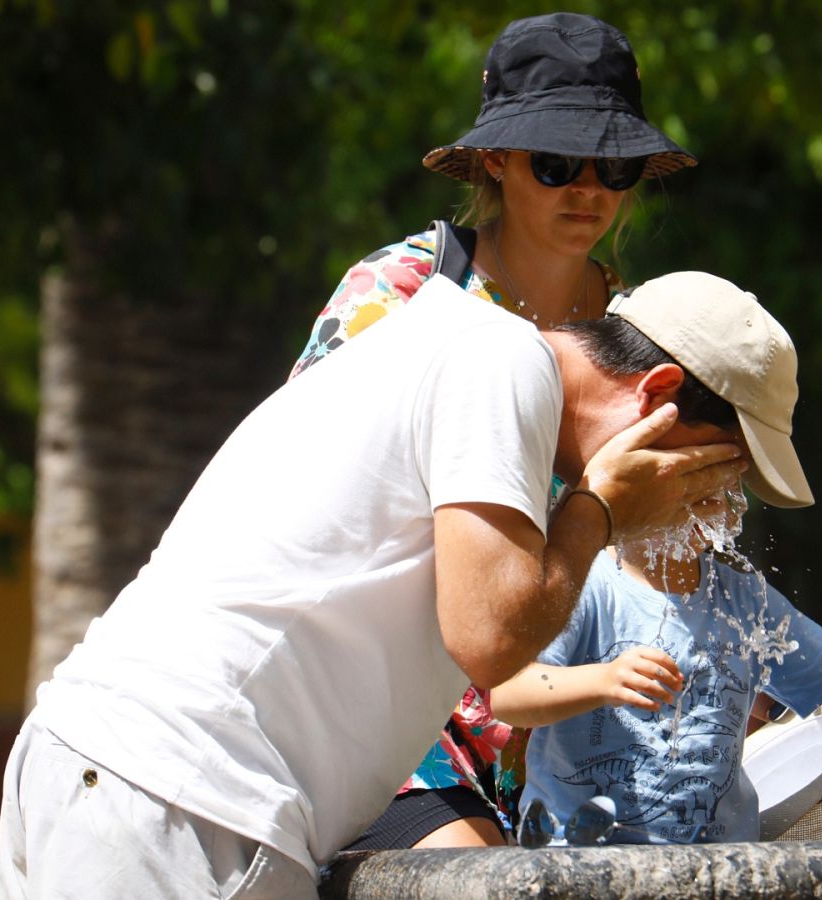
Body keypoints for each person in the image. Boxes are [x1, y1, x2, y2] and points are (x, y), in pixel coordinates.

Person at [0, 270, 798, 896]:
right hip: (180, 799)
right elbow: (490, 640)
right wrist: (599, 510)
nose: (713, 506)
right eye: (718, 472)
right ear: (656, 398)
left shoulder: (458, 346)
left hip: (127, 780)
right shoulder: (502, 361)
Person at [291, 12, 697, 851]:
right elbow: (301, 503)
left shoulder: (627, 323)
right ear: (498, 161)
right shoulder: (400, 292)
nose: (588, 189)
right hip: (382, 718)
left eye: (613, 165)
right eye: (556, 163)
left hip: (538, 739)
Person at [493, 286, 822, 845]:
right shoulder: (588, 580)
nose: (716, 498)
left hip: (716, 875)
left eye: (728, 484)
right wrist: (601, 681)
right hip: (577, 873)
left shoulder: (742, 603)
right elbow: (509, 693)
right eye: (697, 478)